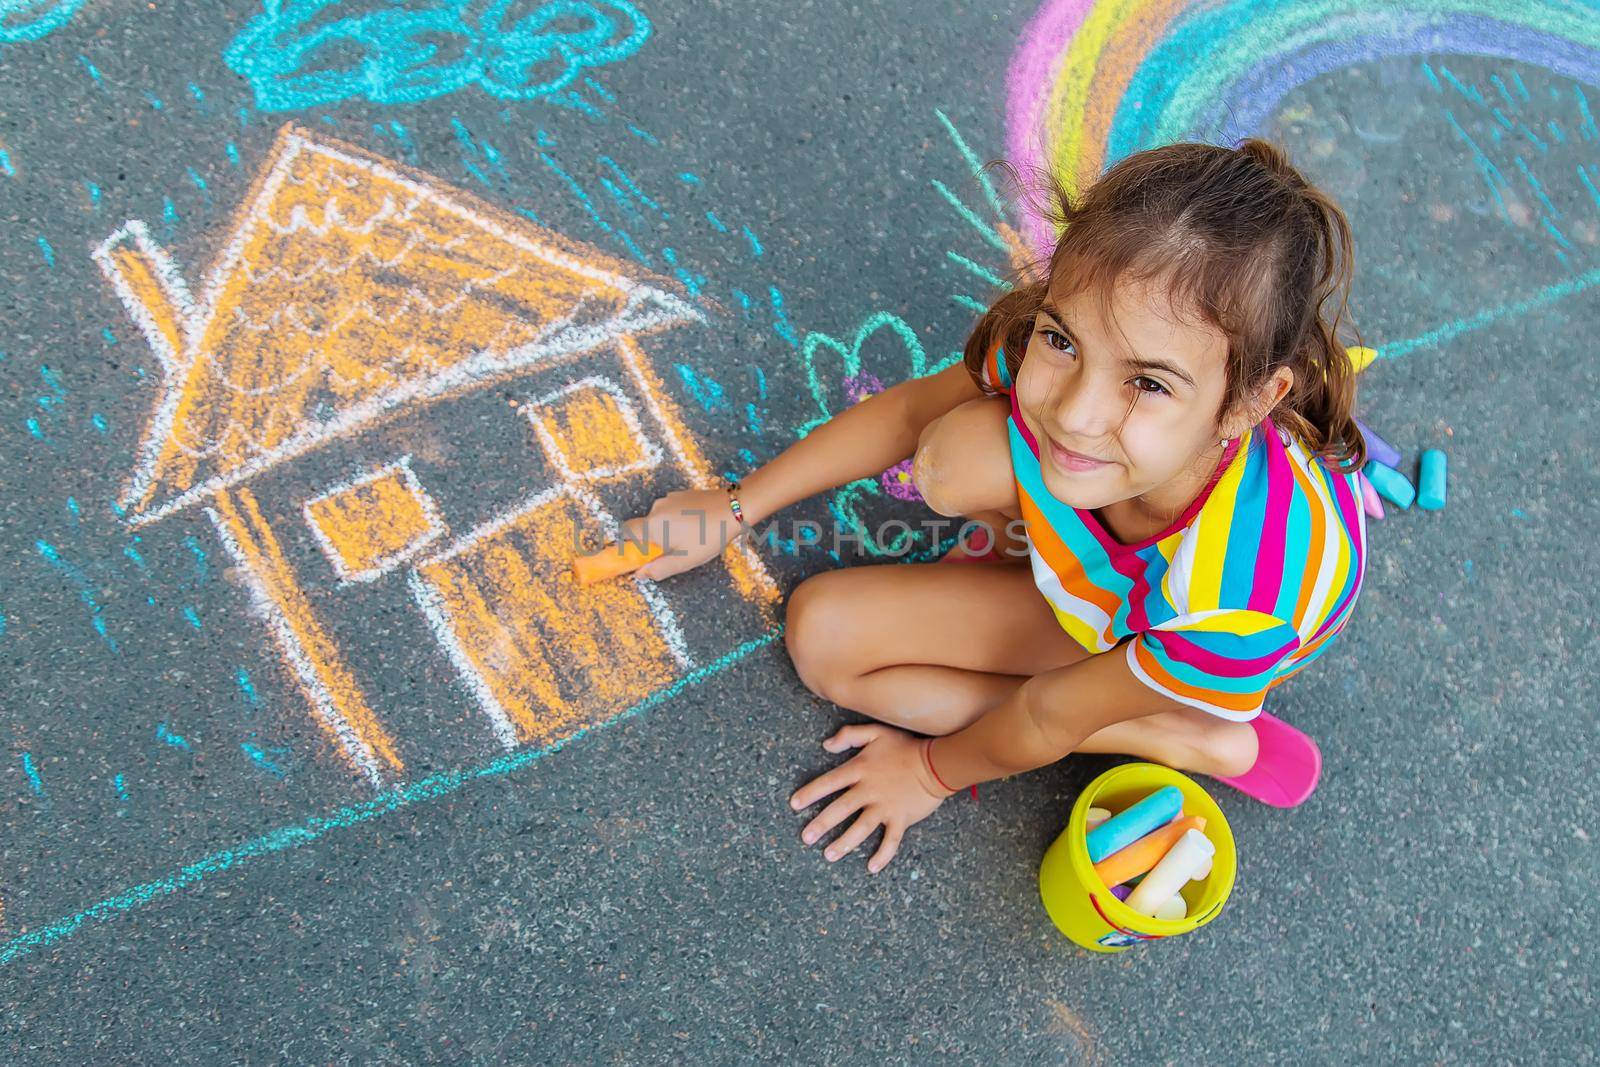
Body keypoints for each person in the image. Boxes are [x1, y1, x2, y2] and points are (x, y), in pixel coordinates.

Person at [618, 139, 1366, 875]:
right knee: (951, 459)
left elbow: (1049, 715)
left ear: (1250, 403)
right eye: (1062, 340)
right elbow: (913, 415)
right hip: (1121, 535)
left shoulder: (1239, 600)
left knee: (828, 644)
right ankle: (1039, 563)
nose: (1076, 411)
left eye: (1150, 383)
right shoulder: (1080, 343)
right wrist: (733, 506)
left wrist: (928, 773)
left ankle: (1191, 735)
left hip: (1162, 627)